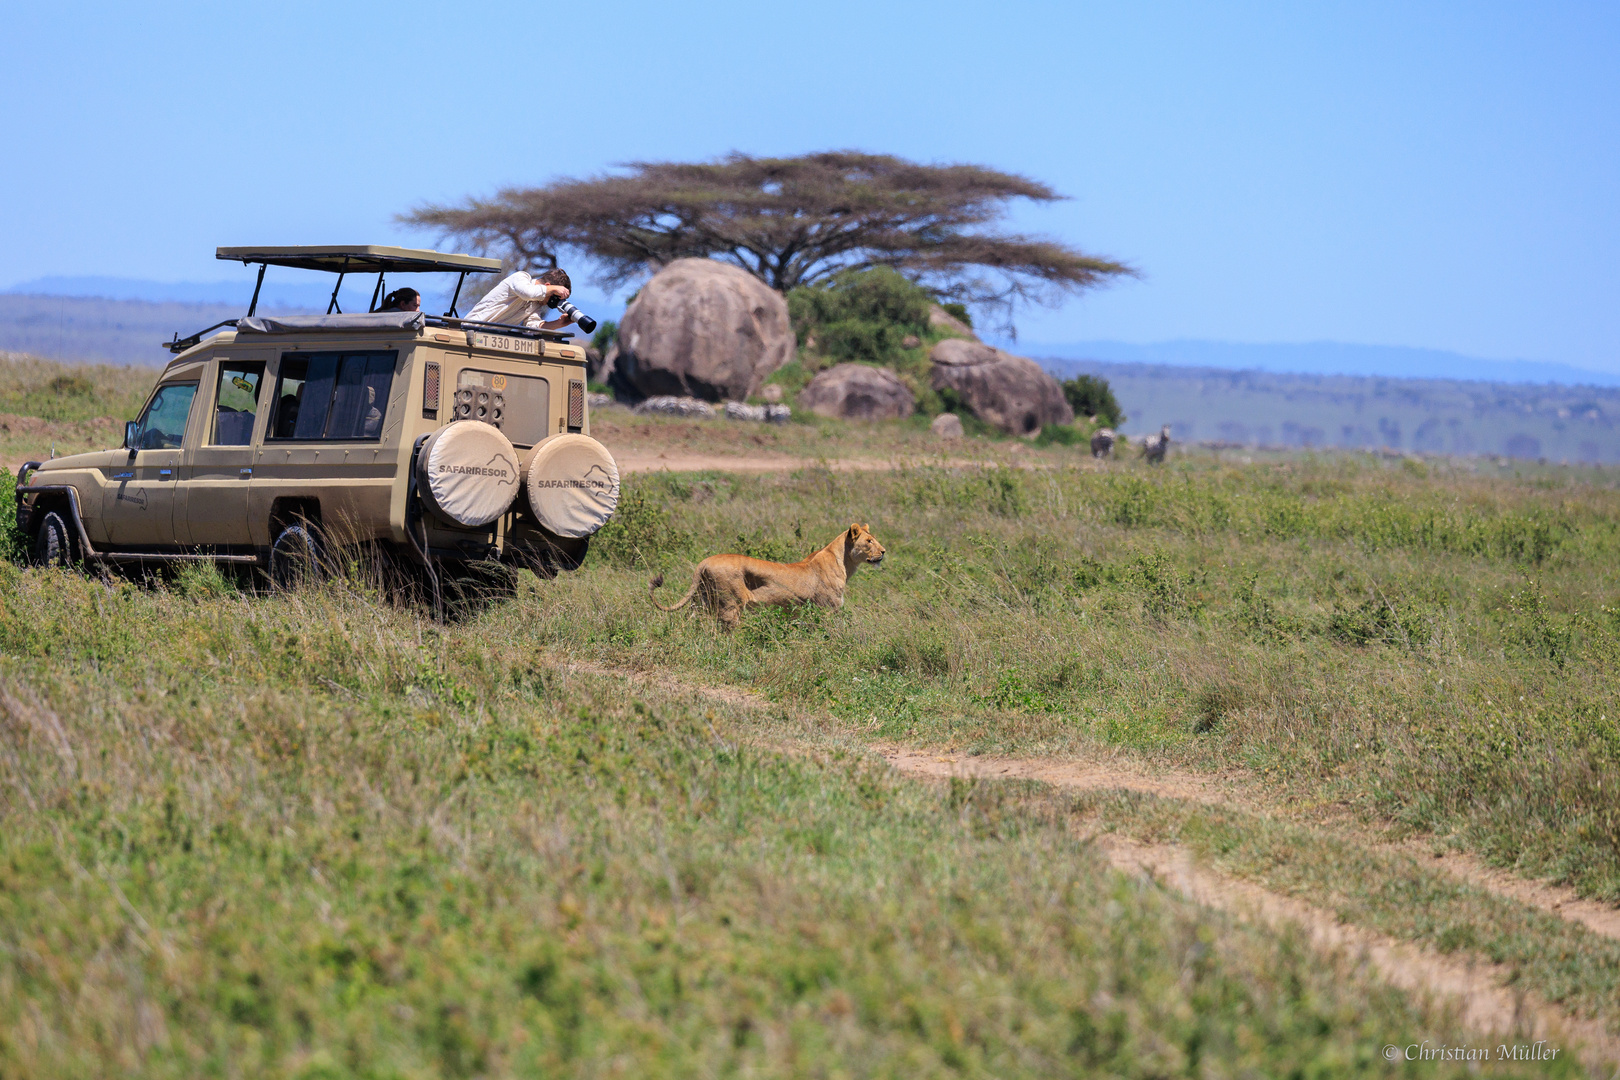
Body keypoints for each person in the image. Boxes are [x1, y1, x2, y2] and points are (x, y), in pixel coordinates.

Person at [464, 268, 575, 330]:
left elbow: (533, 326)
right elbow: (526, 293)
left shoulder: (536, 304)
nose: (551, 304)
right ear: (548, 286)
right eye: (554, 298)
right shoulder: (521, 277)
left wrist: (559, 323)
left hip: (489, 340)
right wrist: (552, 289)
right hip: (468, 330)